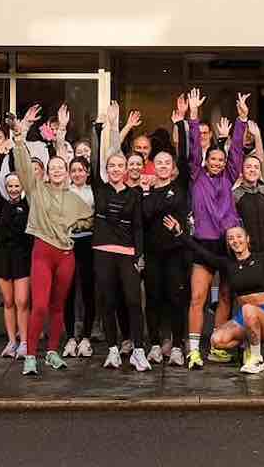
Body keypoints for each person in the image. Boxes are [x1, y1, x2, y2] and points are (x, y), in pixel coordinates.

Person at [163, 214, 264, 374]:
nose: (236, 241)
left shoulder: (262, 259)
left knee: (249, 309)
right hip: (244, 318)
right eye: (231, 239)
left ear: (247, 239)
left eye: (239, 237)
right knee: (217, 339)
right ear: (228, 244)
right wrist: (179, 233)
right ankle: (249, 344)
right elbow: (201, 251)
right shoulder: (227, 264)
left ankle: (257, 359)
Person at [11, 104, 94, 376]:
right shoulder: (37, 191)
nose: (58, 170)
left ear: (68, 172)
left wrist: (76, 229)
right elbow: (23, 166)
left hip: (67, 255)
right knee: (41, 305)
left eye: (62, 167)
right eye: (54, 167)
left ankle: (52, 352)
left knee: (59, 306)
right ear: (47, 171)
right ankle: (31, 355)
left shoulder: (74, 198)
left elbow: (91, 219)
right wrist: (19, 138)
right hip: (43, 251)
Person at [183, 88, 248, 369]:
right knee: (198, 297)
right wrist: (194, 115)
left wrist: (242, 120)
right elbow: (194, 148)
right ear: (206, 160)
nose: (218, 163)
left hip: (228, 243)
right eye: (214, 159)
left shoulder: (230, 175)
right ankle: (193, 349)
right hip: (203, 243)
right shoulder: (196, 175)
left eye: (221, 160)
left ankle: (217, 346)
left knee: (225, 296)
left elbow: (235, 151)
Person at [86, 106, 149, 372]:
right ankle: (112, 349)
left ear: (126, 169)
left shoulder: (134, 194)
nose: (115, 169)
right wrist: (106, 128)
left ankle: (137, 350)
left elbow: (138, 228)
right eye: (111, 165)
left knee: (133, 301)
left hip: (126, 253)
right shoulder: (99, 190)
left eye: (119, 166)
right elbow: (94, 162)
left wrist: (139, 255)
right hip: (102, 251)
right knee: (108, 301)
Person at [141, 100, 191, 367]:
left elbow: (184, 155)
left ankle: (178, 345)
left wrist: (180, 123)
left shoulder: (180, 184)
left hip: (176, 253)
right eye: (158, 162)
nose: (162, 166)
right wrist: (155, 195)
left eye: (166, 162)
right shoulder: (146, 191)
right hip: (152, 254)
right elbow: (147, 214)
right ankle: (155, 345)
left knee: (175, 299)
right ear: (153, 165)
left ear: (172, 168)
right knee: (153, 299)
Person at [0, 122, 34, 358]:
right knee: (8, 301)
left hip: (23, 256)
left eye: (17, 185)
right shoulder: (1, 203)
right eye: (10, 186)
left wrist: (15, 150)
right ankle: (11, 341)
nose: (14, 189)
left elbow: (21, 171)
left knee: (22, 301)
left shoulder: (28, 204)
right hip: (4, 256)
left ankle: (25, 342)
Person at [62, 150, 96, 360]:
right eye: (73, 170)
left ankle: (86, 337)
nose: (77, 174)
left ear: (87, 172)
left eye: (80, 170)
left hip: (88, 244)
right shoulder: (64, 191)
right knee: (67, 291)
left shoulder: (94, 192)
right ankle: (70, 338)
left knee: (88, 291)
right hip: (68, 243)